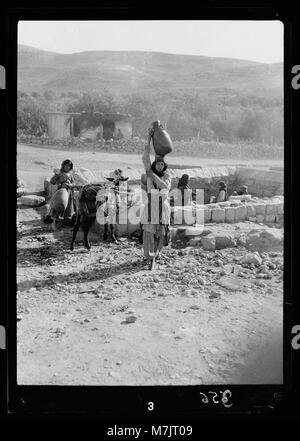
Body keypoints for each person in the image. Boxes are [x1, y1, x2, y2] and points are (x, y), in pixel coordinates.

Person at [140, 128, 172, 269]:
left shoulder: (167, 176)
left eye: (161, 164)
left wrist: (153, 176)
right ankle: (150, 257)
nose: (159, 165)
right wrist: (149, 137)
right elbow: (145, 156)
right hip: (151, 205)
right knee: (149, 232)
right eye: (157, 163)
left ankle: (157, 253)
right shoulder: (149, 172)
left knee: (161, 232)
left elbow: (165, 186)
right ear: (154, 165)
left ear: (164, 166)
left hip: (163, 207)